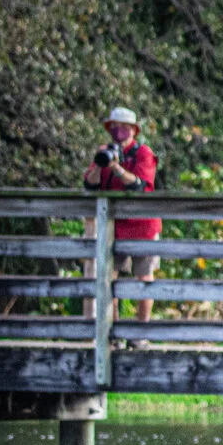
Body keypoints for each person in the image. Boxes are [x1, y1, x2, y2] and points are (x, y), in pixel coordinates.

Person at [82, 107, 159, 349]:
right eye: (114, 127)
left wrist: (117, 169)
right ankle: (113, 332)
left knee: (144, 278)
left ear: (134, 130)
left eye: (124, 127)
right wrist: (99, 164)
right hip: (114, 226)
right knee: (109, 278)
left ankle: (139, 334)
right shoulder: (105, 152)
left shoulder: (143, 153)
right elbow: (89, 185)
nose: (118, 131)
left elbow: (140, 186)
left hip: (142, 226)